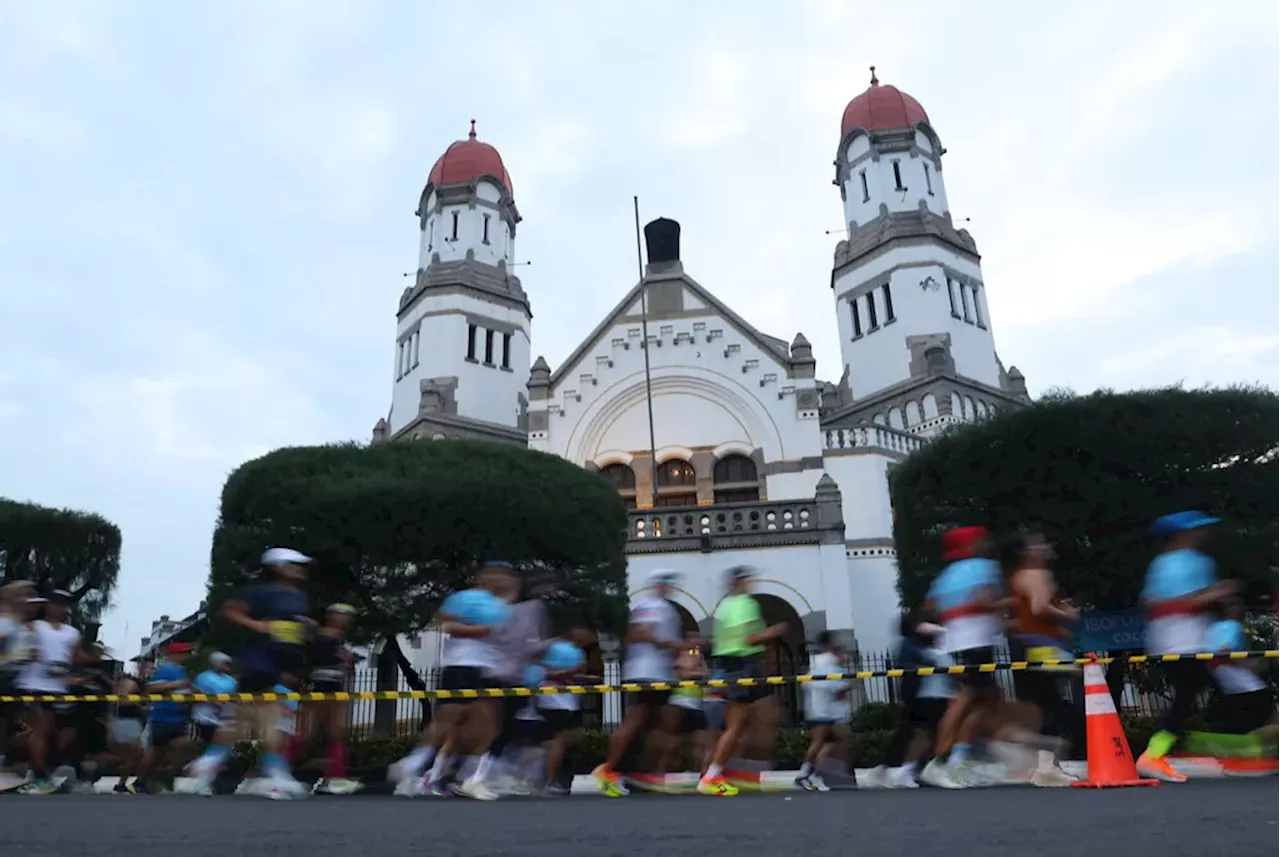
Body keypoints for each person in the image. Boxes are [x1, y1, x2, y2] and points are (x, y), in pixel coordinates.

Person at [188, 547, 314, 799]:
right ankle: (276, 776)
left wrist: (306, 630)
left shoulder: (300, 597)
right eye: (294, 563)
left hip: (278, 665)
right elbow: (229, 611)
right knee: (266, 721)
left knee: (247, 720)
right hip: (258, 662)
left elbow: (292, 632)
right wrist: (258, 625)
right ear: (278, 567)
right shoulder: (261, 592)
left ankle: (209, 765)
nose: (300, 568)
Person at [388, 561, 514, 799]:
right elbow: (444, 624)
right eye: (493, 573)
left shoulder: (503, 607)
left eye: (504, 575)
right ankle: (413, 763)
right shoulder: (464, 598)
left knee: (488, 725)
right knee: (448, 720)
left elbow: (504, 638)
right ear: (481, 577)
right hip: (462, 664)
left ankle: (472, 779)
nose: (499, 579)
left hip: (489, 669)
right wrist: (479, 631)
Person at [1136, 511, 1237, 782]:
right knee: (1190, 694)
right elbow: (1173, 603)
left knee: (1196, 690)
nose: (1203, 533)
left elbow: (1151, 602)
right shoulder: (1191, 563)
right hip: (1184, 637)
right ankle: (1156, 752)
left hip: (1177, 637)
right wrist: (1218, 593)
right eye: (1196, 529)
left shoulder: (1161, 563)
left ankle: (1173, 746)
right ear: (1181, 534)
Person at [919, 527, 1004, 789]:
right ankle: (941, 758)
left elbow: (930, 606)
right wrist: (1005, 609)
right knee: (969, 699)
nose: (986, 543)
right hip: (978, 640)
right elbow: (985, 598)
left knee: (981, 701)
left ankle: (957, 758)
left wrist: (953, 614)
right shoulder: (983, 567)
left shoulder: (948, 573)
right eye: (981, 540)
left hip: (957, 640)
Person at [593, 569, 686, 797]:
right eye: (667, 582)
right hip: (648, 673)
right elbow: (639, 634)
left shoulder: (659, 607)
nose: (670, 587)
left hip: (658, 673)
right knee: (636, 721)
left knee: (654, 725)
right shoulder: (654, 606)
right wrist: (670, 645)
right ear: (659, 584)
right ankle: (609, 769)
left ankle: (637, 772)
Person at [699, 566, 789, 797]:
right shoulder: (744, 605)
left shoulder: (727, 605)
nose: (752, 583)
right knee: (738, 725)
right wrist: (775, 631)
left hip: (737, 667)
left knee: (760, 717)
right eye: (748, 579)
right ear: (739, 582)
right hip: (743, 667)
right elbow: (749, 639)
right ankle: (713, 774)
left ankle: (738, 770)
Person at [1001, 531, 1078, 787]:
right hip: (1043, 645)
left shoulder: (1018, 576)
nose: (1044, 547)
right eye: (1039, 544)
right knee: (1055, 705)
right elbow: (1039, 608)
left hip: (1025, 645)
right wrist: (1067, 615)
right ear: (1028, 551)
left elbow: (1018, 614)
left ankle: (1042, 761)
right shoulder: (1038, 575)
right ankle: (1045, 764)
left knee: (1041, 704)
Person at [16, 590, 86, 795]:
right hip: (32, 683)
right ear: (48, 606)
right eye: (57, 604)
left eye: (65, 605)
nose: (62, 608)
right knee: (39, 731)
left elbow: (75, 658)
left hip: (56, 689)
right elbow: (19, 651)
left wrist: (78, 673)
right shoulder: (33, 627)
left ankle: (31, 770)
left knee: (47, 731)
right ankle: (38, 775)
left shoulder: (72, 633)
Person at [308, 603, 362, 795]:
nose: (347, 619)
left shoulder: (338, 638)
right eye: (344, 615)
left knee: (331, 732)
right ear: (332, 615)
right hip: (324, 686)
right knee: (320, 733)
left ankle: (334, 776)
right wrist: (344, 657)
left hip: (334, 685)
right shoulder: (326, 635)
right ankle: (333, 776)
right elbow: (322, 656)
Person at [131, 642, 193, 794]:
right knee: (156, 752)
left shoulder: (183, 671)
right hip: (163, 716)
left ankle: (154, 778)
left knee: (175, 748)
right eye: (184, 652)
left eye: (188, 652)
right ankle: (142, 781)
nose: (187, 655)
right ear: (173, 655)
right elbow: (152, 688)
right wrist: (179, 684)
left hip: (178, 717)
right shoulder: (164, 669)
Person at [795, 631, 851, 792]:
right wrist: (843, 687)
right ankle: (806, 774)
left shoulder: (819, 660)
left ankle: (811, 774)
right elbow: (832, 682)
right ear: (830, 643)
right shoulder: (827, 660)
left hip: (823, 709)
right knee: (822, 742)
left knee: (832, 741)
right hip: (821, 710)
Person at [0, 581, 37, 792]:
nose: (29, 600)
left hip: (12, 681)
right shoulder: (5, 622)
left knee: (11, 727)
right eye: (25, 595)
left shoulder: (20, 625)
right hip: (4, 679)